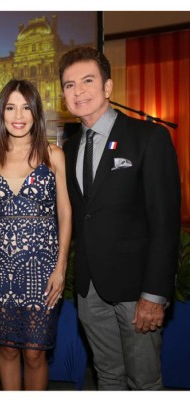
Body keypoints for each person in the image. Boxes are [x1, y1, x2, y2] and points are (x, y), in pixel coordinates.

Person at [59, 47, 181, 390]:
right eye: (69, 85)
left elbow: (164, 222)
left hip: (136, 290)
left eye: (87, 81)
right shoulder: (68, 150)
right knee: (107, 376)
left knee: (143, 380)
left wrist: (155, 294)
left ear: (108, 87)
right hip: (90, 290)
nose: (78, 91)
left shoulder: (148, 137)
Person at [0, 79, 72, 390]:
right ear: (2, 112)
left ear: (36, 112)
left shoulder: (53, 155)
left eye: (25, 107)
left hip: (43, 267)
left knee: (35, 353)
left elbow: (65, 213)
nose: (17, 115)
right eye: (10, 107)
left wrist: (60, 268)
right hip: (0, 267)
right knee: (7, 348)